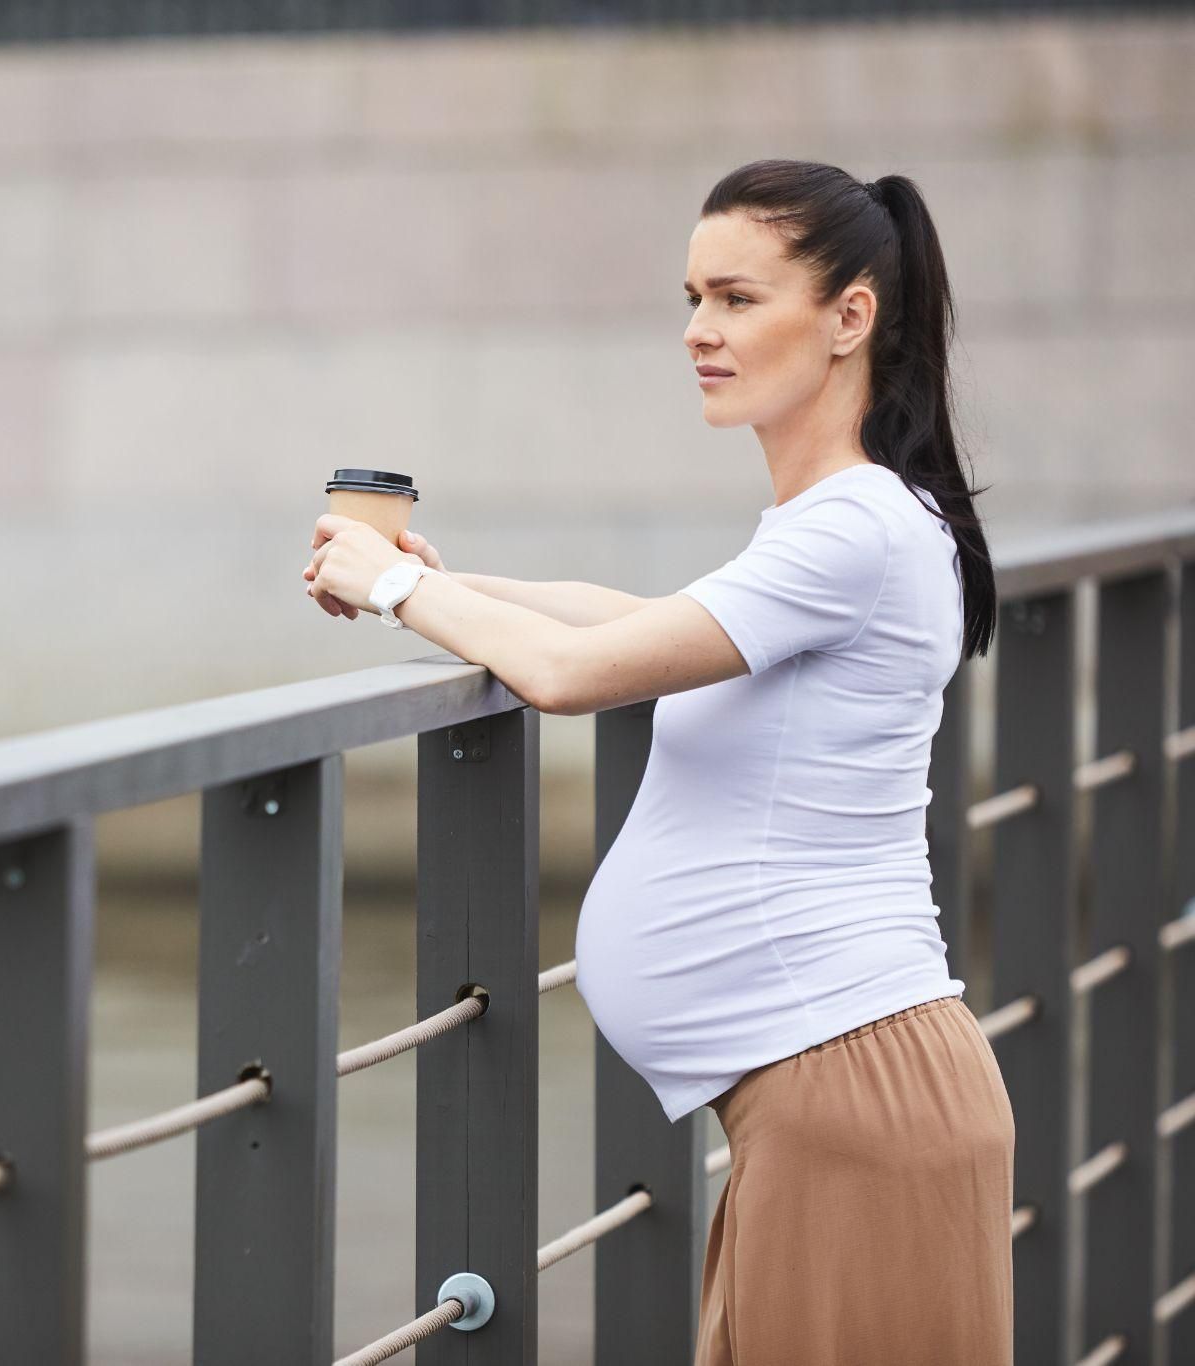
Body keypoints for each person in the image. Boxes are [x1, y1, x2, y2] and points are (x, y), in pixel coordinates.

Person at [302, 159, 1013, 1364]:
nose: (697, 332)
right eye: (691, 298)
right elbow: (633, 618)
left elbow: (572, 675)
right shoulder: (844, 519)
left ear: (849, 316)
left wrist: (400, 589)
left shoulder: (854, 525)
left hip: (850, 1096)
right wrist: (446, 582)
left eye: (736, 299)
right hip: (821, 1093)